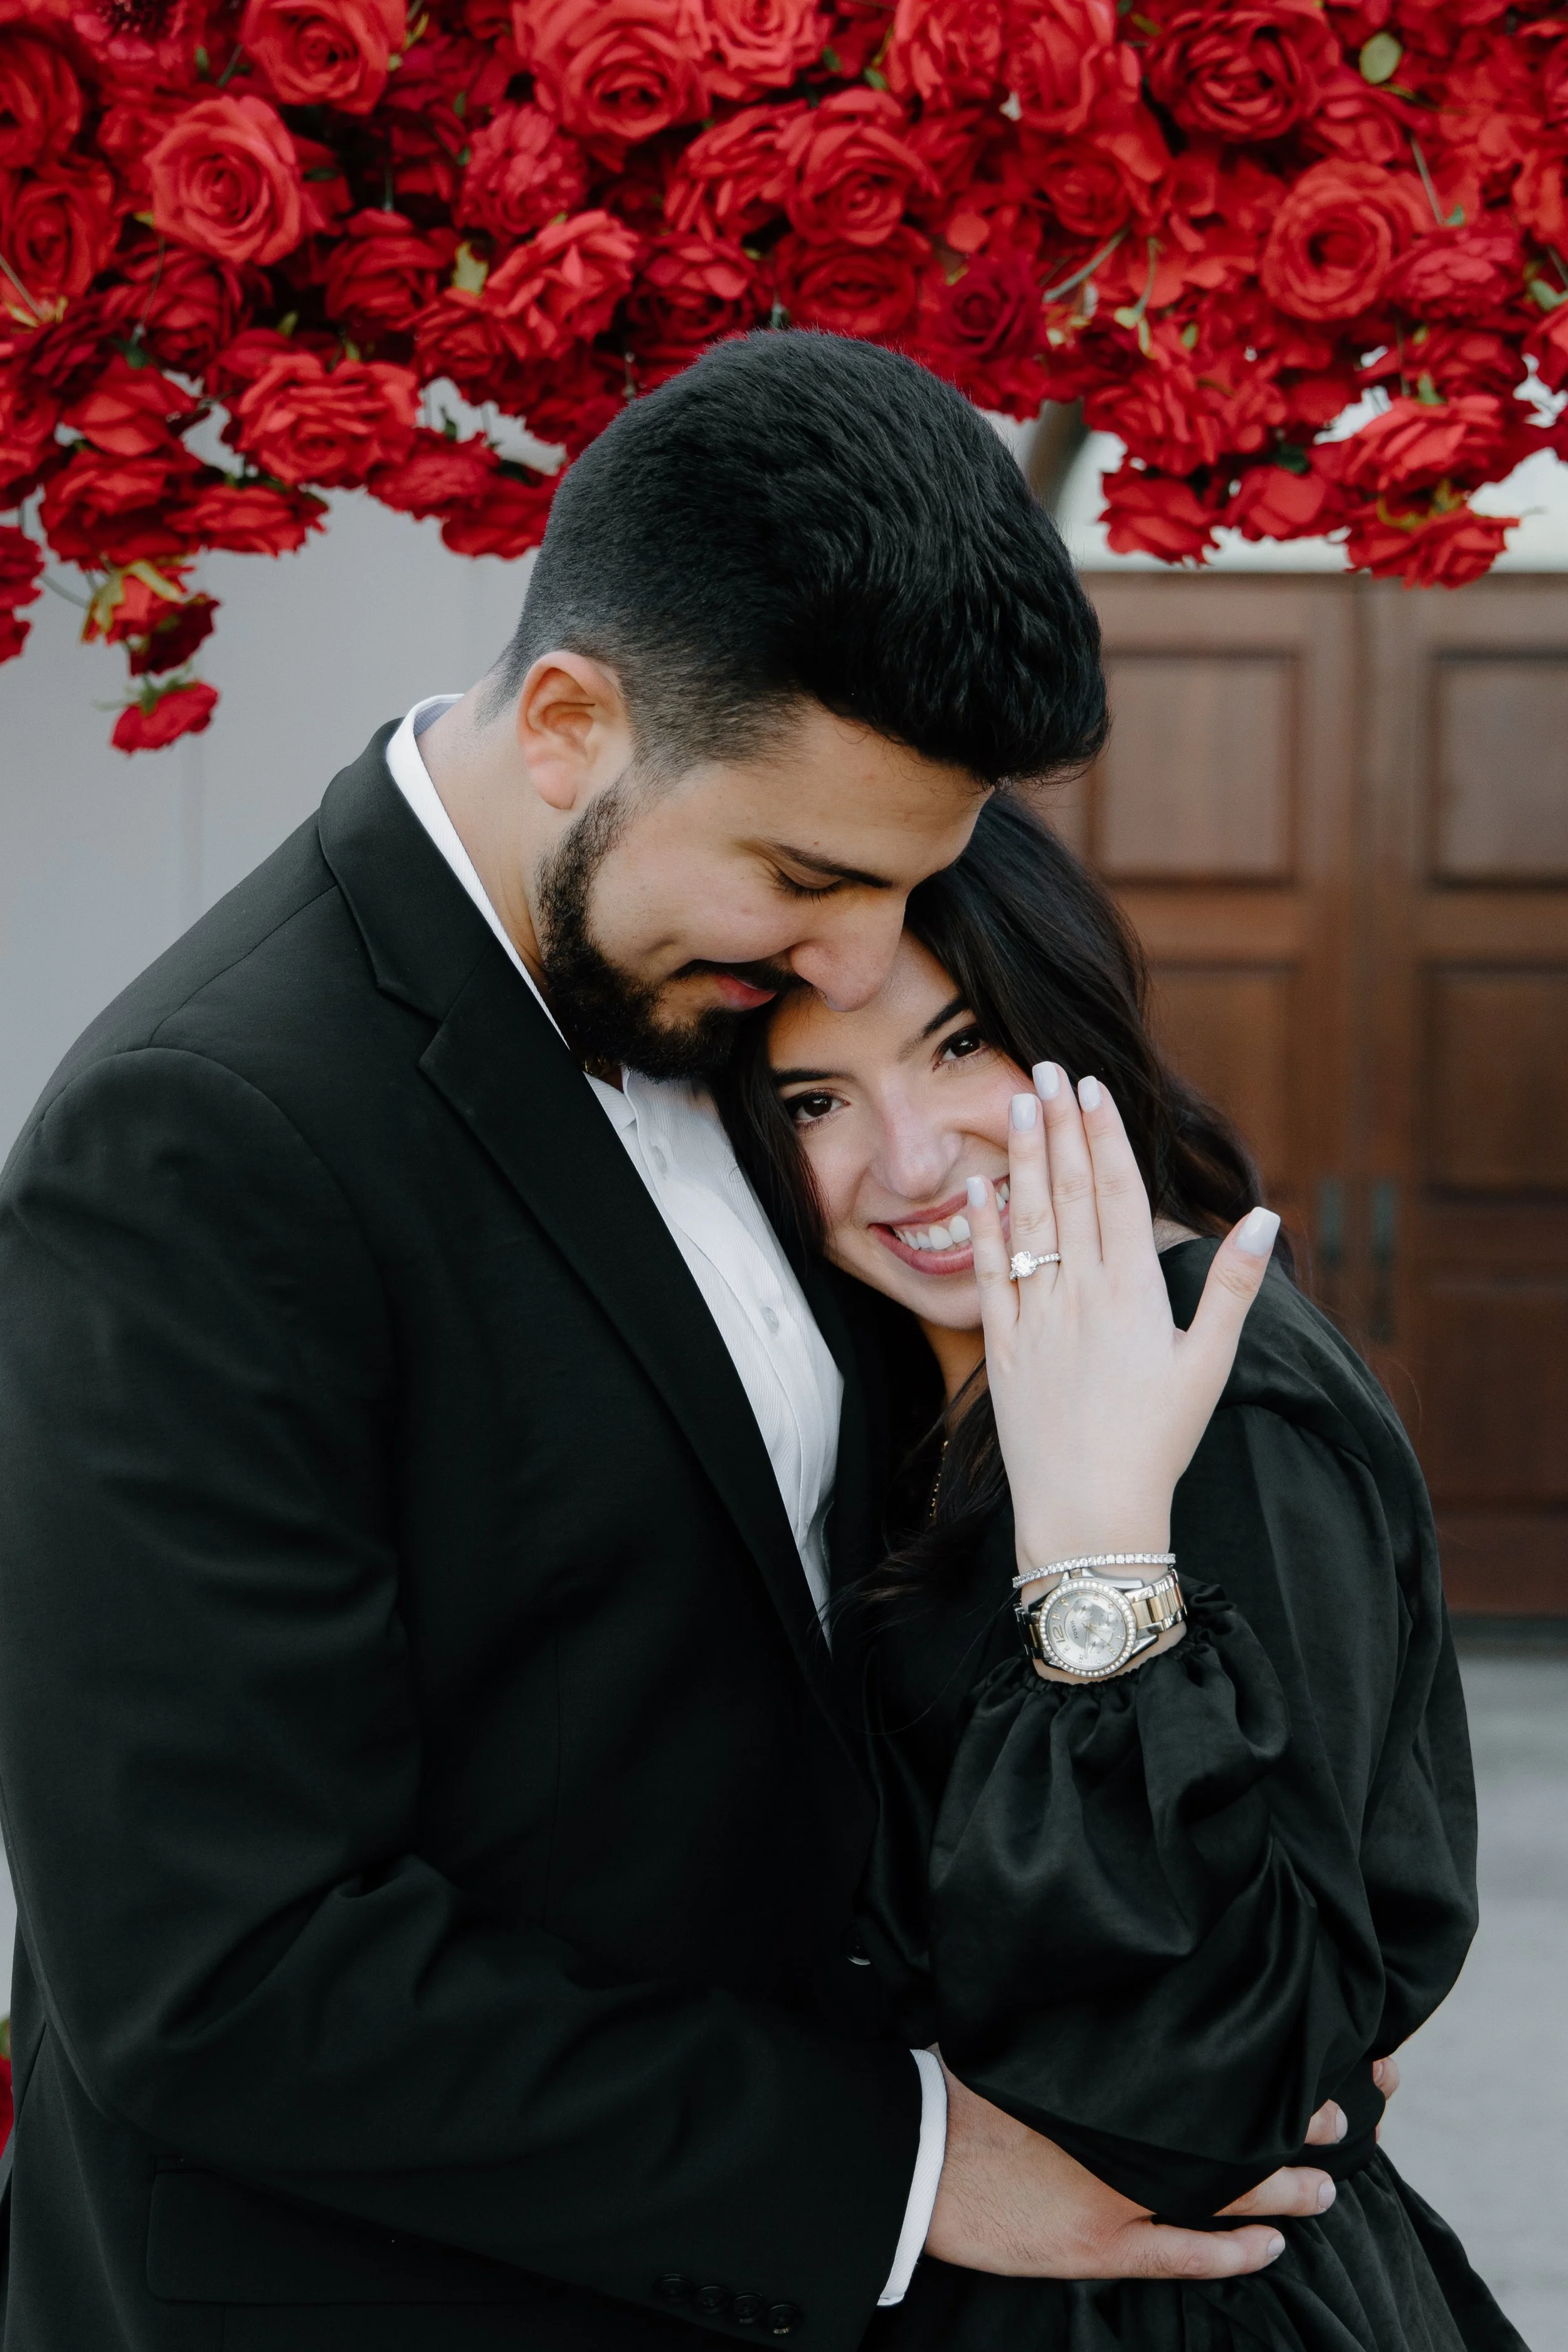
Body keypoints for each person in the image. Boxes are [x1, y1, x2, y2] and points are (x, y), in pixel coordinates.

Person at [0, 335, 1334, 2352]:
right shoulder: (204, 1139)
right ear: (566, 723)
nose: (861, 967)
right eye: (807, 876)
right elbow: (224, 1964)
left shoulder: (703, 992)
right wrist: (901, 2161)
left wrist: (1247, 1998)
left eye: (910, 889)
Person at [716, 792, 1525, 2352]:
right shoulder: (926, 1374)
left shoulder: (1209, 1396)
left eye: (958, 1048)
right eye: (811, 1101)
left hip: (1166, 2306)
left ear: (1063, 1022)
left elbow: (1222, 2071)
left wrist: (1094, 1559)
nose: (907, 1158)